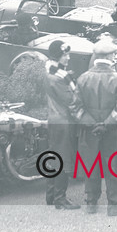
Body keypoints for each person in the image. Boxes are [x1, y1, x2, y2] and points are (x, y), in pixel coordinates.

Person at [71, 39, 117, 216]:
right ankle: (114, 204)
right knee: (114, 165)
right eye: (113, 54)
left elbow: (76, 108)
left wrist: (92, 123)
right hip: (113, 131)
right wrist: (105, 124)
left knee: (91, 164)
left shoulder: (83, 78)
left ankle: (91, 202)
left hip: (88, 131)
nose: (115, 57)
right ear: (108, 57)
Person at [44, 40, 80, 210]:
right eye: (65, 54)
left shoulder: (51, 72)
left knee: (54, 158)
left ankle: (51, 195)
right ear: (58, 56)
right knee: (64, 160)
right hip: (63, 121)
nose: (68, 57)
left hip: (53, 119)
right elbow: (71, 101)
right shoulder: (59, 78)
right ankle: (60, 198)